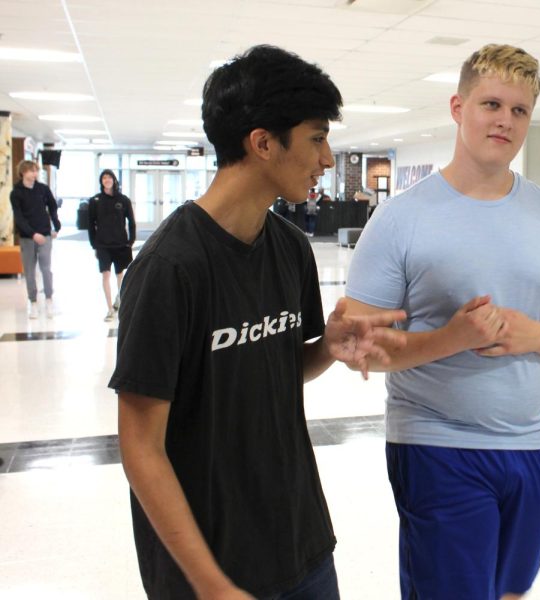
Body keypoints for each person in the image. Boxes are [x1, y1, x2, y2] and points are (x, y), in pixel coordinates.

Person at [110, 45, 405, 599]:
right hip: (208, 564)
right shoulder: (169, 269)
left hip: (301, 542)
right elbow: (140, 446)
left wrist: (328, 347)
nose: (326, 159)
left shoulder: (290, 249)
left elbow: (271, 366)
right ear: (263, 142)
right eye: (316, 138)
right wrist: (210, 584)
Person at [344, 44, 540, 600]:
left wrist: (532, 334)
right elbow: (360, 348)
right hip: (437, 443)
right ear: (458, 107)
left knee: (509, 592)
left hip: (533, 444)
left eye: (519, 110)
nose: (505, 121)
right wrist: (453, 338)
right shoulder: (400, 220)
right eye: (492, 104)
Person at [9, 159, 60, 319]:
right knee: (29, 271)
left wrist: (55, 226)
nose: (34, 174)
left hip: (44, 234)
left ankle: (49, 298)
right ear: (23, 172)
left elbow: (52, 206)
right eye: (31, 170)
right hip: (27, 238)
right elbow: (19, 217)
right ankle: (33, 301)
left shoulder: (42, 189)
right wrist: (32, 234)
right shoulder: (16, 192)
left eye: (36, 170)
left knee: (46, 269)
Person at [88, 169, 136, 321]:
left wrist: (131, 241)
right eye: (104, 178)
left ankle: (120, 301)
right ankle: (109, 308)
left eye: (109, 177)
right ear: (101, 181)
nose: (107, 180)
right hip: (103, 244)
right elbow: (90, 224)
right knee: (105, 275)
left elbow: (131, 221)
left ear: (114, 180)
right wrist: (94, 244)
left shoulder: (123, 200)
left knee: (120, 275)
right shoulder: (95, 201)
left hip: (121, 244)